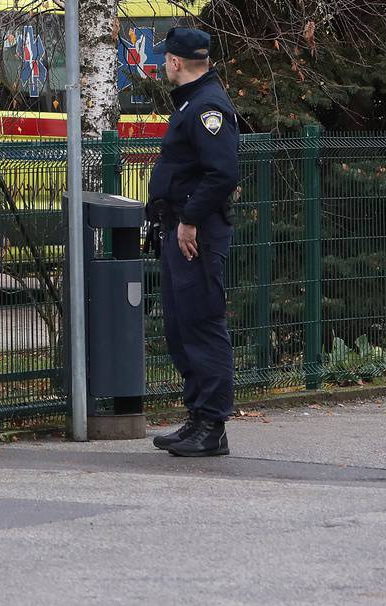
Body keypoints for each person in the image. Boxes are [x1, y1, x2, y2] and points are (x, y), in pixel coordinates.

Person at [146, 27, 240, 458]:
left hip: (196, 234)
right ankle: (197, 417)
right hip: (181, 230)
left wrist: (188, 221)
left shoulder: (207, 107)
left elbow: (222, 173)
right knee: (181, 328)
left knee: (202, 324)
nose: (164, 64)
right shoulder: (192, 102)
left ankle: (212, 425)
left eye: (165, 58)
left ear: (175, 62)